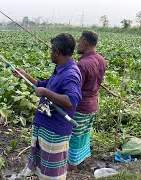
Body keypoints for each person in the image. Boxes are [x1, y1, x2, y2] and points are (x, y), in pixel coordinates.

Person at [13, 33, 82, 179]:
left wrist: (45, 92)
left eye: (51, 50)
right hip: (45, 125)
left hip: (55, 130)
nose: (50, 53)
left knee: (53, 172)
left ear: (57, 52)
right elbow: (41, 85)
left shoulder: (71, 74)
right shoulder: (61, 68)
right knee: (43, 166)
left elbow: (71, 101)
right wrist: (24, 75)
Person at [68, 30, 107, 170]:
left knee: (74, 136)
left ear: (84, 43)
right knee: (84, 133)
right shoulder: (102, 60)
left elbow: (75, 91)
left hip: (81, 107)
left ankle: (71, 164)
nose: (78, 44)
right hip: (92, 105)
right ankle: (81, 158)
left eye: (79, 41)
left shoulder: (82, 64)